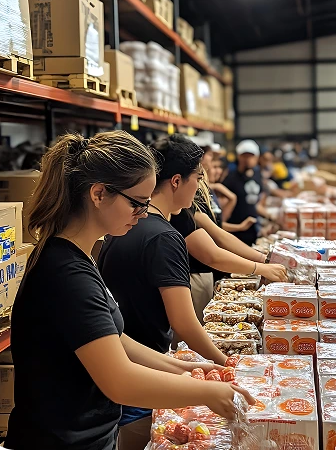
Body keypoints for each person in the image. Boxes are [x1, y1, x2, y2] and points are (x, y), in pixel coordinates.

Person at [6, 132, 252, 450]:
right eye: (137, 203)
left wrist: (188, 369)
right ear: (98, 194)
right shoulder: (66, 273)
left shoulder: (77, 255)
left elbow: (114, 341)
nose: (142, 213)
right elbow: (119, 381)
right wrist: (209, 392)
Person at [97, 135, 246, 449]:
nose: (201, 187)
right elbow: (184, 323)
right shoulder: (164, 237)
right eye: (198, 179)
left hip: (126, 367)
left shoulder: (122, 226)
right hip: (141, 378)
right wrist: (226, 366)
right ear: (177, 181)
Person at [170, 178, 287, 323]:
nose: (200, 184)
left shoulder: (188, 205)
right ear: (176, 180)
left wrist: (264, 261)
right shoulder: (180, 212)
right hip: (193, 275)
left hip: (204, 273)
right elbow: (214, 251)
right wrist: (261, 265)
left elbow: (217, 233)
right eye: (198, 177)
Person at [223, 140, 270, 245]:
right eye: (244, 156)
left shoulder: (258, 175)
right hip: (235, 231)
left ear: (257, 158)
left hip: (254, 230)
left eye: (251, 156)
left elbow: (257, 202)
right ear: (238, 157)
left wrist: (269, 217)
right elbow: (223, 207)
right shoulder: (230, 178)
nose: (247, 159)